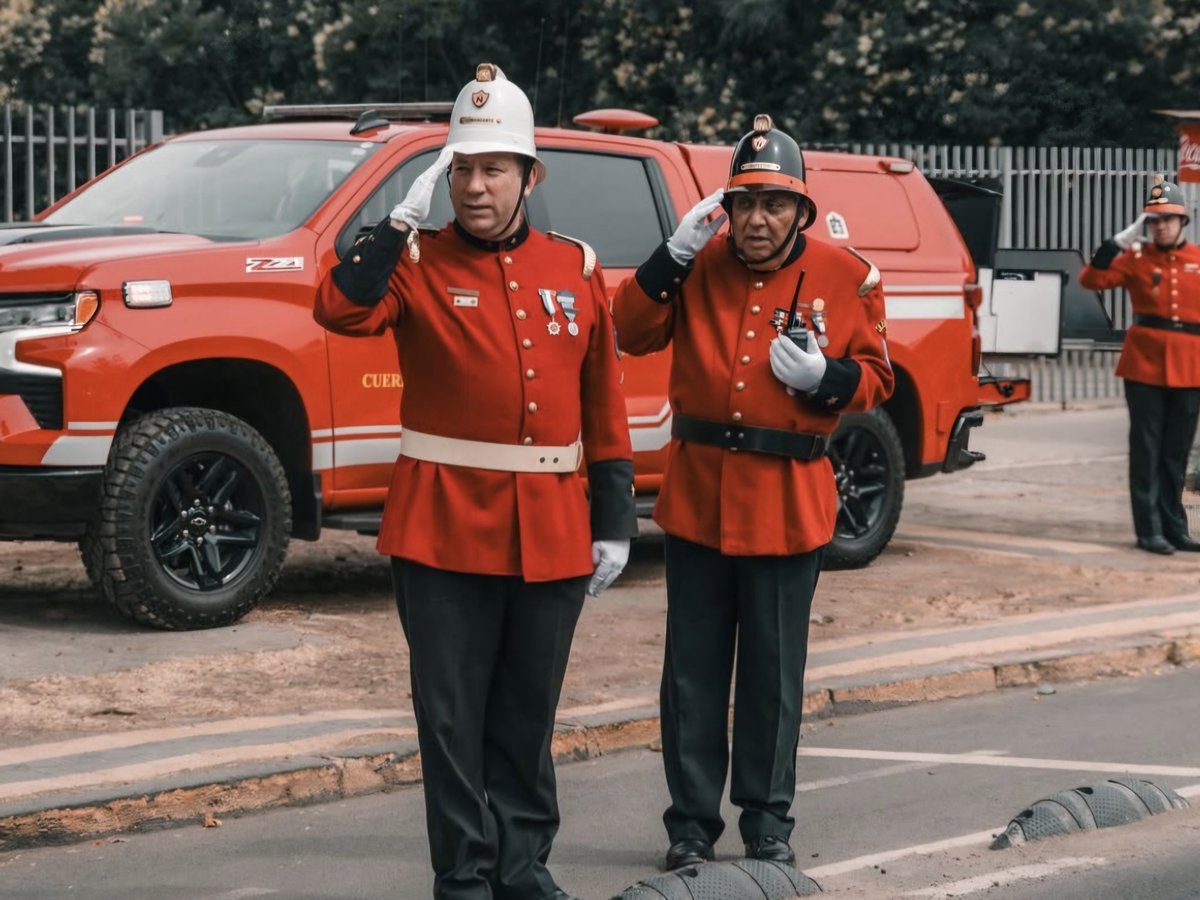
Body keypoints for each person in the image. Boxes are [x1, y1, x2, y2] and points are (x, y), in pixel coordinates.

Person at [314, 63, 636, 900]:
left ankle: (524, 869)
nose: (476, 185)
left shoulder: (574, 266)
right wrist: (391, 229)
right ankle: (463, 878)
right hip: (443, 527)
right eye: (462, 167)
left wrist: (614, 518)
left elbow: (601, 399)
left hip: (554, 526)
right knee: (452, 723)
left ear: (531, 175)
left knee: (527, 719)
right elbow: (338, 310)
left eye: (494, 168)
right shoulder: (414, 261)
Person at [612, 114, 894, 870]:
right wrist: (668, 255)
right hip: (701, 493)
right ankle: (690, 826)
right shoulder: (694, 265)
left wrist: (826, 380)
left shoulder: (843, 274)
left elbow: (877, 377)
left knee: (772, 675)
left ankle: (768, 822)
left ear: (801, 211)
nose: (757, 220)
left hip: (786, 497)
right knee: (692, 673)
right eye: (744, 204)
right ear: (724, 210)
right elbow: (629, 332)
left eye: (774, 205)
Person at [1080, 176, 1200, 555]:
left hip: (1191, 366)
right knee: (1146, 450)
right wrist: (1116, 243)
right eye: (1154, 220)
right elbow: (1091, 279)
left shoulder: (1198, 260)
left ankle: (1175, 528)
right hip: (1144, 366)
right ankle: (1149, 531)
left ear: (1183, 221)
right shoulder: (1134, 259)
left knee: (1176, 452)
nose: (1161, 225)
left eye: (1168, 218)